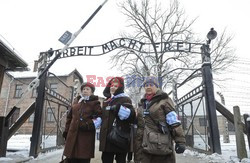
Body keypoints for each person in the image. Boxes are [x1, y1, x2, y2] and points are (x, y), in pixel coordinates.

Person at [134, 77, 186, 163]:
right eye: (146, 85)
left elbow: (174, 122)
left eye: (151, 84)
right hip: (142, 144)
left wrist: (180, 141)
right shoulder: (141, 103)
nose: (148, 87)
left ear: (157, 86)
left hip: (159, 146)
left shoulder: (164, 100)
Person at [62, 82, 102, 163]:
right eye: (83, 89)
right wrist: (66, 131)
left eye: (87, 89)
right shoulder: (76, 103)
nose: (85, 91)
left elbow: (99, 118)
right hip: (72, 136)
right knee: (70, 158)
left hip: (85, 136)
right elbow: (69, 118)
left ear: (92, 92)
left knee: (83, 158)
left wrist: (89, 125)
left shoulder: (95, 103)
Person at [99, 77, 136, 163]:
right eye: (111, 85)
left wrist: (119, 109)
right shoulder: (106, 101)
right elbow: (102, 117)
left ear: (120, 87)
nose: (112, 87)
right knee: (106, 160)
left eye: (116, 86)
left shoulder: (125, 99)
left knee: (120, 160)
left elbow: (131, 116)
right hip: (107, 138)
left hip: (119, 137)